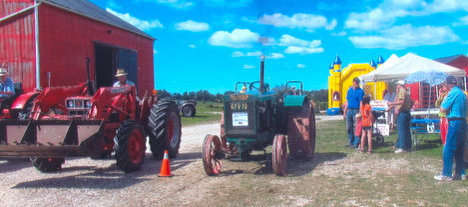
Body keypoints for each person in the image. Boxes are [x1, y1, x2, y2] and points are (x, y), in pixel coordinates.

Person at [434, 76, 466, 181]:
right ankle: (460, 173)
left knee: (449, 148)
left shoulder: (452, 93)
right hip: (463, 122)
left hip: (454, 122)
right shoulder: (462, 93)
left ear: (448, 84)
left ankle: (446, 174)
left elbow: (443, 108)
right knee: (460, 148)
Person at [387, 80, 413, 153]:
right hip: (407, 112)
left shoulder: (401, 91)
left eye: (397, 84)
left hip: (402, 112)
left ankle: (402, 147)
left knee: (401, 130)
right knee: (407, 131)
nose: (396, 86)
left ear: (399, 85)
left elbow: (401, 101)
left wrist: (392, 103)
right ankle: (408, 146)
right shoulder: (406, 91)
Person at [343, 77, 364, 148]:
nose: (356, 85)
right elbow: (347, 102)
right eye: (355, 83)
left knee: (357, 128)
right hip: (349, 110)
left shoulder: (361, 91)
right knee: (349, 127)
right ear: (353, 83)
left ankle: (356, 143)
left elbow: (361, 102)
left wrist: (360, 112)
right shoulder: (349, 90)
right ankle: (351, 142)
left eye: (357, 83)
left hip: (356, 110)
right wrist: (344, 112)